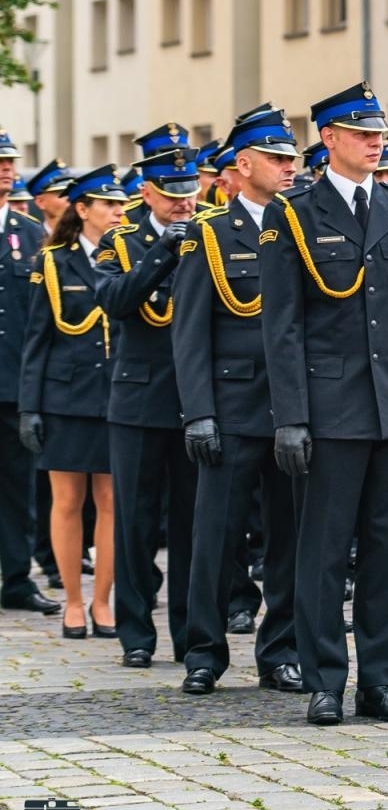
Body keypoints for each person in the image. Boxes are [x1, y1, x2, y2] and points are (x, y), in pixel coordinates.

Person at [259, 81, 388, 725]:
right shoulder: (294, 213)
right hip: (330, 408)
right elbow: (282, 327)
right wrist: (291, 418)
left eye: (379, 135)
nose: (376, 144)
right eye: (362, 134)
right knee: (322, 551)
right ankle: (325, 680)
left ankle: (378, 678)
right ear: (329, 138)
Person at [175, 105, 304, 695]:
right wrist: (199, 412)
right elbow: (189, 332)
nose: (289, 167)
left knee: (289, 537)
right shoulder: (210, 233)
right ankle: (204, 651)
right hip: (231, 408)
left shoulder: (303, 224)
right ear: (244, 165)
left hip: (294, 408)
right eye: (276, 158)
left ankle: (281, 651)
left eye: (292, 157)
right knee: (216, 538)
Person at [94, 125, 200, 669]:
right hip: (138, 402)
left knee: (190, 524)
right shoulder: (120, 241)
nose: (184, 202)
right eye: (172, 193)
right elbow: (116, 300)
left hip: (195, 400)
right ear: (146, 192)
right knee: (134, 523)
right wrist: (162, 251)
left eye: (190, 191)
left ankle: (188, 632)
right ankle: (136, 632)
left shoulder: (209, 234)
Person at [18, 168, 125, 640]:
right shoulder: (54, 261)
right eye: (109, 205)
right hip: (65, 396)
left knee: (110, 502)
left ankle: (103, 601)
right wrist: (30, 407)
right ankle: (74, 603)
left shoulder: (127, 255)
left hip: (116, 395)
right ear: (82, 210)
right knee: (66, 502)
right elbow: (36, 338)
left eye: (121, 204)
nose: (118, 212)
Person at [0, 130, 56, 615]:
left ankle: (17, 579)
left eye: (9, 161)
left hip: (12, 382)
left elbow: (42, 316)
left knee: (18, 486)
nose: (6, 168)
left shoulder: (31, 232)